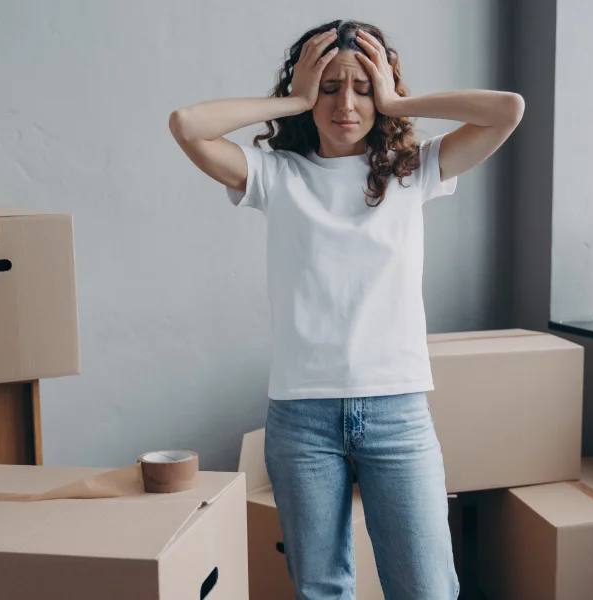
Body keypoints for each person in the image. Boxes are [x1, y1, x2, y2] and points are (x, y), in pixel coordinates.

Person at [170, 19, 523, 600]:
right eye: (330, 88)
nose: (346, 104)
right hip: (301, 419)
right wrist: (292, 99)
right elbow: (186, 125)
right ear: (308, 92)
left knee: (427, 588)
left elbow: (507, 109)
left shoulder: (412, 171)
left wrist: (397, 99)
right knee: (322, 589)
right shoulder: (275, 175)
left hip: (397, 413)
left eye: (361, 89)